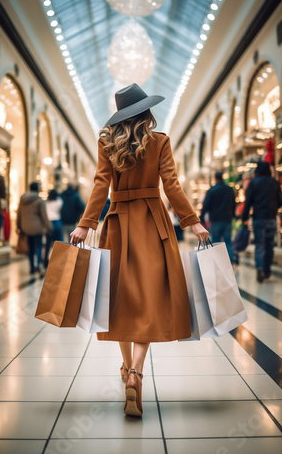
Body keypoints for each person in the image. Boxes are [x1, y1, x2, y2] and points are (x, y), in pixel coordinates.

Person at [70, 83, 208, 417]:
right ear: (147, 112)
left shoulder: (107, 144)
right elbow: (172, 185)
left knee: (120, 298)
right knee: (149, 297)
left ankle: (125, 364)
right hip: (153, 226)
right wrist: (193, 222)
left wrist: (85, 224)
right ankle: (136, 372)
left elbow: (100, 186)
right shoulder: (159, 142)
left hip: (117, 225)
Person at [242, 161, 282, 283]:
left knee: (260, 245)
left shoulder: (253, 183)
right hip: (271, 219)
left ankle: (259, 268)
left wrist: (244, 217)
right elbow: (281, 200)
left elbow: (248, 201)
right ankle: (267, 271)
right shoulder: (274, 183)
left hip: (258, 219)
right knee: (270, 246)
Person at [17, 182, 52, 274]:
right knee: (38, 246)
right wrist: (48, 227)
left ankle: (31, 266)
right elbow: (44, 216)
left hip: (26, 227)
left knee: (30, 247)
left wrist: (18, 226)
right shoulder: (39, 200)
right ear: (37, 189)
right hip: (37, 227)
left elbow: (19, 213)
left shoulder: (22, 199)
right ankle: (38, 265)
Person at [200, 171, 235, 261]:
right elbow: (233, 204)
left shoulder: (212, 191)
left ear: (215, 178)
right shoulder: (229, 190)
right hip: (227, 220)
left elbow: (205, 206)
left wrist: (202, 220)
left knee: (216, 242)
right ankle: (230, 260)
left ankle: (219, 261)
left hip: (215, 221)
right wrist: (233, 215)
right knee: (228, 242)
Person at [44, 189, 64, 267]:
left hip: (49, 223)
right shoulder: (59, 202)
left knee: (48, 243)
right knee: (58, 243)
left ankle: (45, 261)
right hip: (57, 222)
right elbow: (61, 202)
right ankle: (58, 260)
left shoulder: (46, 203)